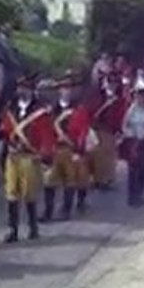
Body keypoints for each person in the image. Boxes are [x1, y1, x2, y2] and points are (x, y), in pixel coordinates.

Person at [0, 75, 55, 243]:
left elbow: (46, 134)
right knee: (11, 193)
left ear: (31, 90)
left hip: (29, 156)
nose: (21, 91)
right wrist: (1, 132)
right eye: (20, 87)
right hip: (12, 155)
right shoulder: (11, 109)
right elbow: (6, 128)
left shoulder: (40, 111)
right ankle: (12, 229)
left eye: (25, 88)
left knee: (29, 193)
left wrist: (45, 154)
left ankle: (32, 227)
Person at [47, 80, 95, 221]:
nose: (66, 91)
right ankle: (48, 212)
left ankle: (66, 210)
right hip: (55, 148)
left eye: (69, 88)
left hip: (70, 148)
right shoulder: (52, 110)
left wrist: (78, 150)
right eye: (63, 88)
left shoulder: (78, 109)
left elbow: (83, 130)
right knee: (49, 180)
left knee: (70, 180)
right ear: (59, 91)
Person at [121, 82, 144, 207]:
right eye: (139, 97)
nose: (142, 99)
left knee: (142, 170)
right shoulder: (131, 110)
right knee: (132, 170)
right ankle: (132, 196)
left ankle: (139, 195)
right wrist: (130, 135)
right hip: (133, 142)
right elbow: (124, 126)